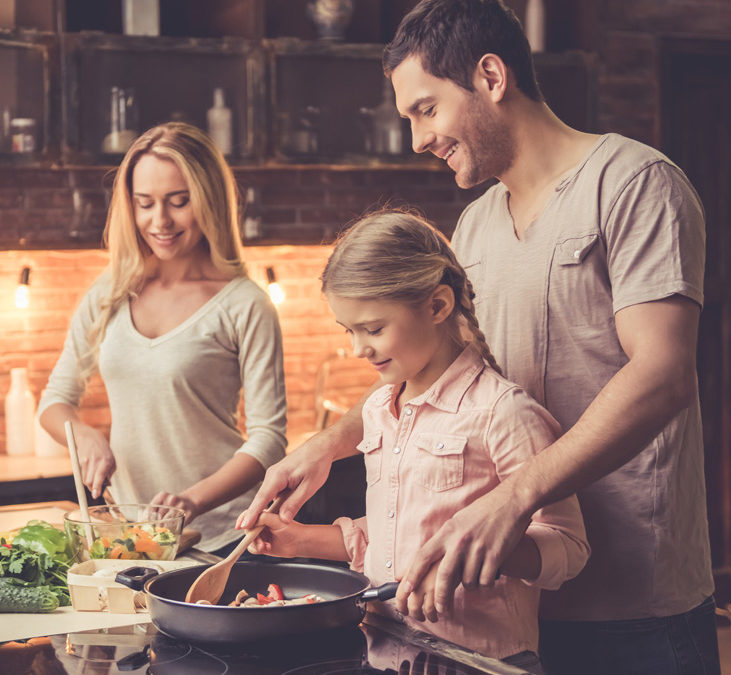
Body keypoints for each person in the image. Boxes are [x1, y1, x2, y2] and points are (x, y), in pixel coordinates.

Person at [239, 1, 719, 673]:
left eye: (425, 110)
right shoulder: (474, 228)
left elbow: (663, 373)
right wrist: (328, 445)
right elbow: (445, 381)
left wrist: (514, 499)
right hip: (513, 611)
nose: (416, 138)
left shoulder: (635, 184)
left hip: (636, 603)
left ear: (491, 76)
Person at [249, 211, 589, 668]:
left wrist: (485, 548)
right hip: (387, 648)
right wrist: (300, 541)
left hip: (481, 661)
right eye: (348, 330)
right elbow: (392, 537)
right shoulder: (376, 411)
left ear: (437, 307)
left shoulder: (502, 413)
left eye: (373, 328)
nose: (357, 349)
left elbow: (569, 549)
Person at [39, 121, 288, 555]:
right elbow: (54, 401)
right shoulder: (109, 293)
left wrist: (191, 501)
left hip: (225, 539)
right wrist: (82, 435)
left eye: (178, 202)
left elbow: (269, 439)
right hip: (134, 537)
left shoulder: (244, 304)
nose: (160, 221)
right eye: (145, 204)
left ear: (208, 200)